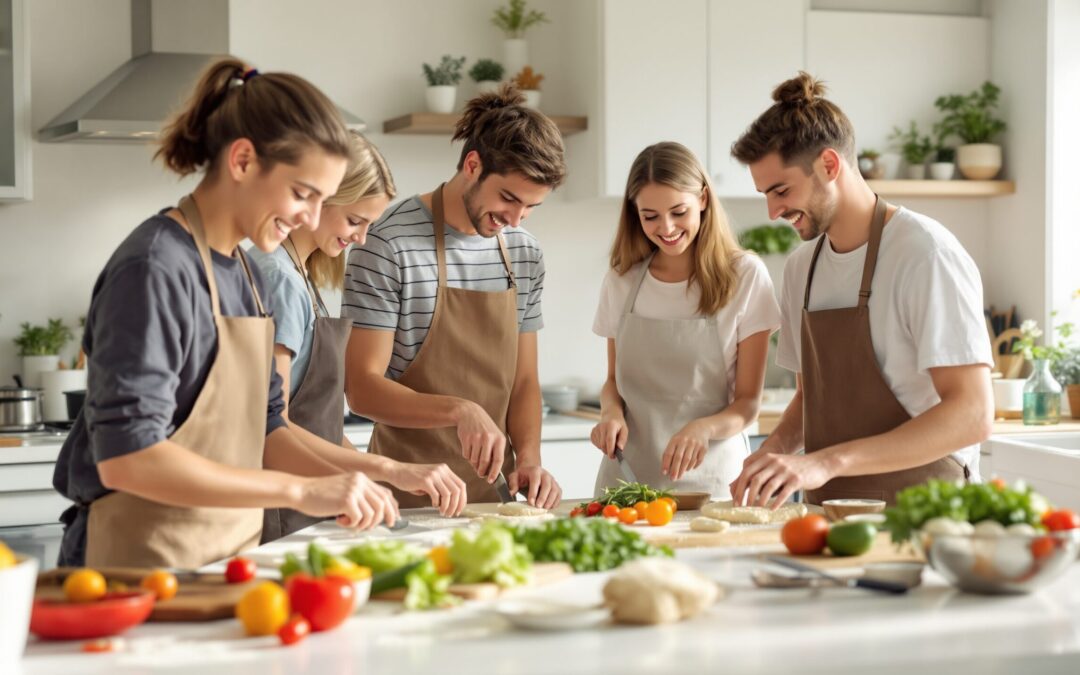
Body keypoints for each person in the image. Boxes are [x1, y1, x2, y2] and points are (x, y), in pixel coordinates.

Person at [53, 58, 400, 568]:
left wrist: (356, 479)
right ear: (242, 161)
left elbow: (269, 427)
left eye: (321, 200)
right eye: (302, 194)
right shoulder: (155, 268)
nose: (309, 216)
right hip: (134, 566)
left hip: (221, 559)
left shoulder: (246, 275)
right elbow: (128, 458)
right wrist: (299, 492)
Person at [727, 72, 994, 508]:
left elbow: (972, 414)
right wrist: (770, 454)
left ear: (829, 166)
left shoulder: (925, 254)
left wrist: (826, 462)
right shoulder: (801, 268)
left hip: (923, 514)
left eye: (781, 190)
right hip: (825, 514)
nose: (773, 210)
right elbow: (810, 399)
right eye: (765, 195)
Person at [343, 86, 565, 509]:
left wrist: (530, 459)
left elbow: (524, 381)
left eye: (531, 207)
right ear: (472, 164)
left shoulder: (524, 252)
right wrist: (460, 410)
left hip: (495, 501)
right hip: (405, 497)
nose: (514, 220)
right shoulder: (388, 245)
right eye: (508, 198)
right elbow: (362, 389)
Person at [250, 132, 467, 542]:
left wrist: (381, 478)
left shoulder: (300, 276)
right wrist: (388, 469)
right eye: (355, 221)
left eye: (369, 225)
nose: (361, 239)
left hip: (306, 502)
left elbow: (319, 425)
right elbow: (271, 425)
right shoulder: (279, 280)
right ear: (319, 200)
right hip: (281, 506)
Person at [589, 142, 780, 498]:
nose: (666, 227)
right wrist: (610, 413)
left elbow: (747, 404)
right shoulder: (622, 280)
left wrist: (703, 429)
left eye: (679, 212)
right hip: (626, 481)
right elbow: (613, 382)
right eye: (650, 216)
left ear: (703, 199)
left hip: (713, 484)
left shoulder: (745, 276)